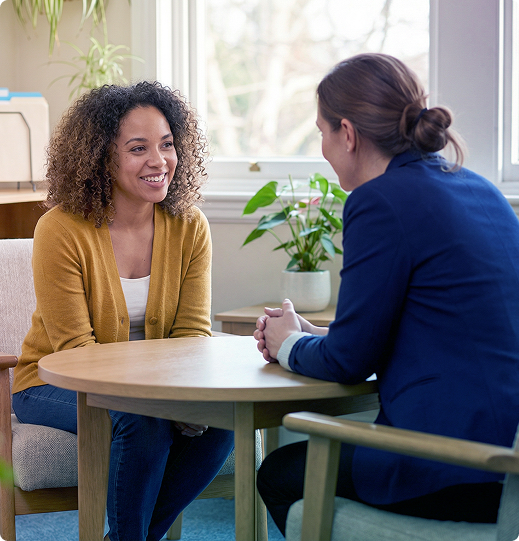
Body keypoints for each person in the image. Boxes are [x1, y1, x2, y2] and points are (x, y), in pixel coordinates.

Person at [254, 53, 519, 536]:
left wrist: (284, 344)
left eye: (322, 132)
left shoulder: (379, 202)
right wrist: (311, 334)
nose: (324, 149)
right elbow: (424, 329)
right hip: (508, 458)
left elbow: (348, 362)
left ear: (348, 133)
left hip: (454, 463)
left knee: (279, 474)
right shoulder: (480, 189)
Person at [11, 81, 234, 541]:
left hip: (152, 387)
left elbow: (192, 335)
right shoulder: (61, 228)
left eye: (167, 144)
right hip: (52, 381)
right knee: (142, 418)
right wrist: (158, 400)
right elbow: (76, 351)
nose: (159, 161)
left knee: (219, 426)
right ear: (101, 156)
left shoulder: (190, 226)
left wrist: (189, 400)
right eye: (138, 148)